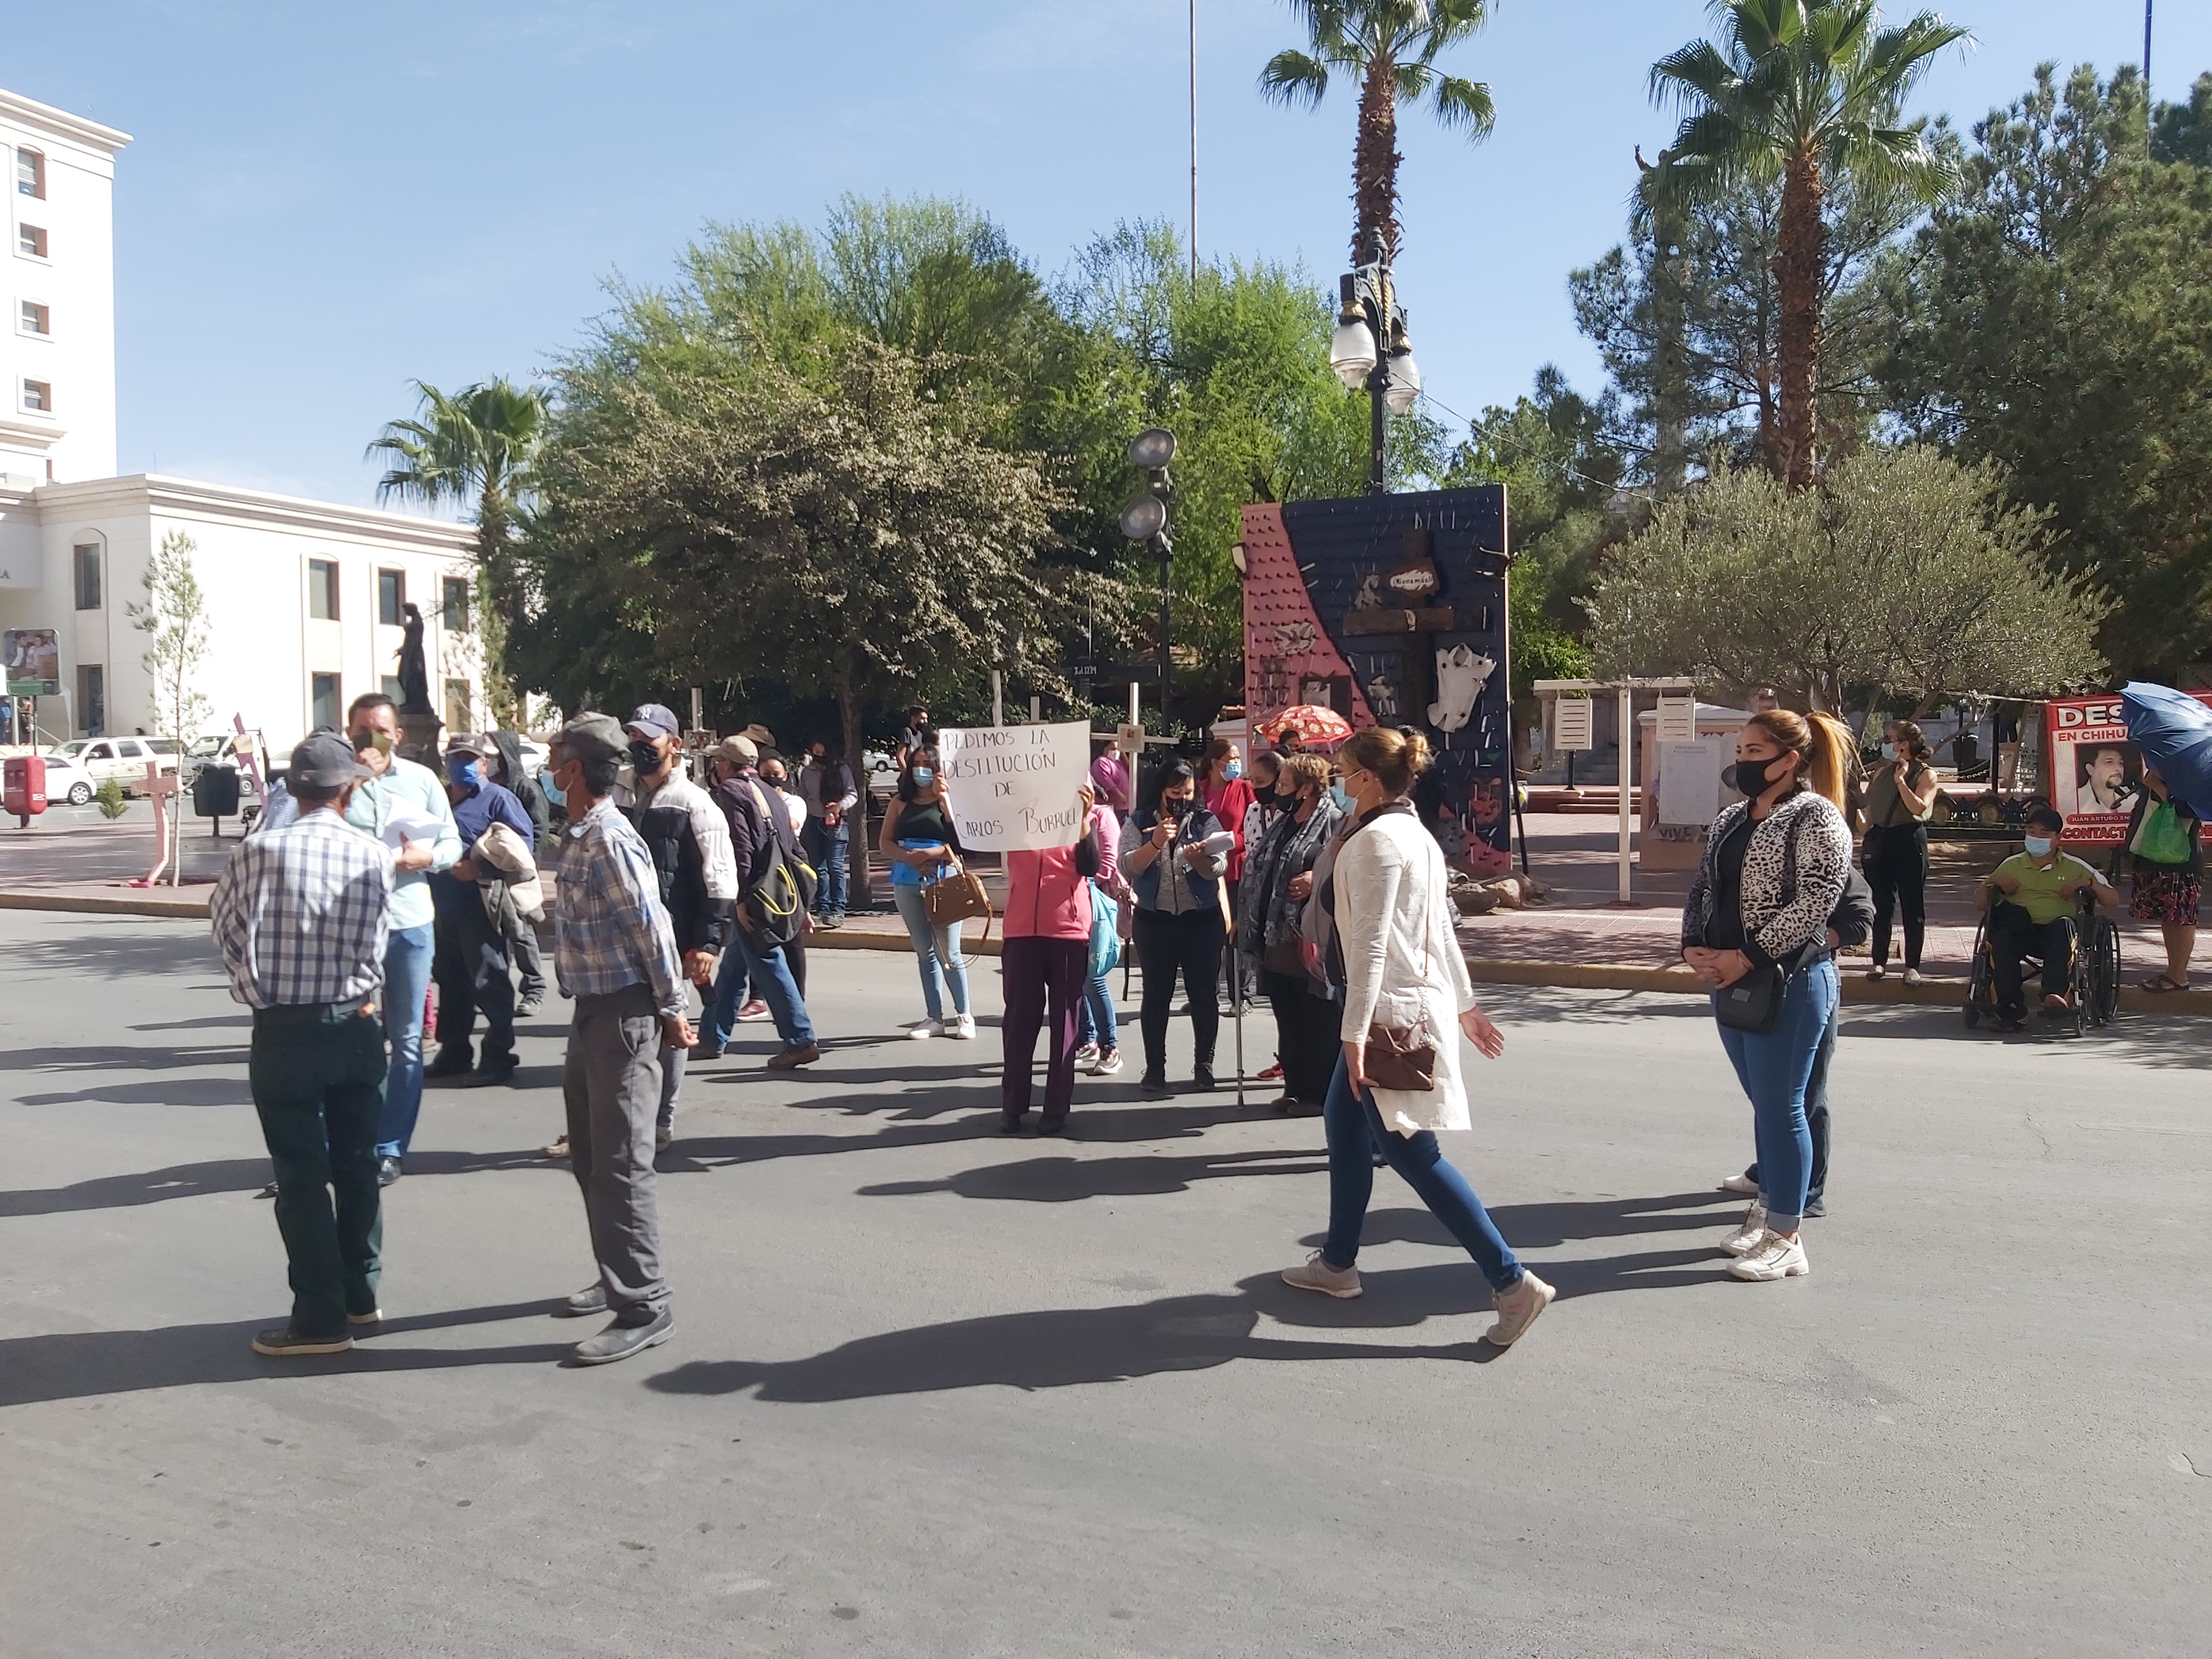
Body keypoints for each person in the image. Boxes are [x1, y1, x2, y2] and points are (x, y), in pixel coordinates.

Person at [1277, 726, 1553, 1348]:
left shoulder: (1377, 843)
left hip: (1385, 1017)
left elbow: (1374, 945)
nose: (1340, 786)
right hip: (1399, 1008)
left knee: (1410, 1152)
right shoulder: (1413, 836)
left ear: (1370, 779)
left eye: (1346, 774)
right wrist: (1465, 1003)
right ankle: (1338, 1264)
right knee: (1344, 1128)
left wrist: (1353, 1036)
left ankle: (1512, 1283)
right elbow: (1436, 932)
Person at [209, 731, 394, 1356]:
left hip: (286, 1027)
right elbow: (377, 944)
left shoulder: (258, 850)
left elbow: (226, 927)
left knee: (300, 1173)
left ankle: (319, 1314)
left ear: (293, 789)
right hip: (356, 1019)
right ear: (348, 789)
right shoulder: (372, 854)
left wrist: (253, 988)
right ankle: (360, 1293)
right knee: (358, 1163)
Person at [1682, 708, 1857, 1282]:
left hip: (1790, 982)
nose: (1743, 761)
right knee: (1767, 1106)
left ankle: (1788, 1236)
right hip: (1729, 983)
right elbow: (1705, 886)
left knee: (1785, 1109)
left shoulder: (1817, 817)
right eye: (1741, 750)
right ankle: (1768, 1213)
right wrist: (1694, 948)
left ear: (1790, 759)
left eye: (1756, 752)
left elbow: (1816, 900)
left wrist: (1747, 956)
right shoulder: (1732, 817)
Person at [543, 714, 690, 1365]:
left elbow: (650, 931)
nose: (547, 769)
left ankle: (646, 1304)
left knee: (625, 1164)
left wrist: (672, 1009)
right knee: (592, 1159)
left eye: (555, 759)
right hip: (591, 1014)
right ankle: (616, 1275)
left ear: (576, 770)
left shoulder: (610, 839)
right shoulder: (578, 836)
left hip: (625, 1019)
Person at [334, 694, 461, 1188]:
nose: (373, 739)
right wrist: (356, 783)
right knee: (347, 1038)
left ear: (398, 735)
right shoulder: (339, 783)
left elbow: (452, 843)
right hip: (351, 924)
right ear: (349, 734)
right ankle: (341, 1143)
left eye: (381, 730)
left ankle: (390, 1147)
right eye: (363, 730)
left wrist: (425, 859)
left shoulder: (422, 780)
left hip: (409, 920)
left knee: (407, 1041)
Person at [1722, 863, 1875, 1220]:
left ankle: (1808, 1191)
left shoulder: (1828, 862)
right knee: (1769, 1092)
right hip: (1763, 987)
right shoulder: (1765, 860)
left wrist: (1805, 939)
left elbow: (1859, 921)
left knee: (1807, 1094)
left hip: (1809, 985)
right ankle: (1771, 1173)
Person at [619, 704, 736, 1152]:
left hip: (673, 937)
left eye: (650, 738)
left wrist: (708, 942)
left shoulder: (694, 803)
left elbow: (719, 874)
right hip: (624, 935)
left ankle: (661, 1122)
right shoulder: (620, 794)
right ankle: (624, 1119)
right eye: (635, 737)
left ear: (674, 744)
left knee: (672, 1028)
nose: (641, 747)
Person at [425, 733, 535, 1094]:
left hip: (480, 907)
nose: (464, 765)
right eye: (457, 758)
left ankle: (498, 1057)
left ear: (485, 764)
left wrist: (481, 869)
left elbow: (522, 852)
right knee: (451, 983)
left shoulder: (498, 800)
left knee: (490, 982)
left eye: (472, 759)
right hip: (440, 906)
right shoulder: (436, 798)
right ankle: (454, 1051)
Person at [702, 735, 820, 1069]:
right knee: (735, 965)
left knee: (765, 957)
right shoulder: (770, 791)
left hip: (755, 891)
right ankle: (712, 1037)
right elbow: (792, 847)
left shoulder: (730, 792)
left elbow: (741, 848)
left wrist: (741, 898)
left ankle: (800, 1038)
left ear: (726, 764)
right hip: (779, 890)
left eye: (719, 762)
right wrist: (803, 903)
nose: (717, 768)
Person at [1239, 753, 1343, 1113]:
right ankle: (1295, 1087)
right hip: (1275, 937)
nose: (1278, 792)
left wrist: (1317, 879)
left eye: (1284, 785)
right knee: (1288, 1018)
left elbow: (1342, 868)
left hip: (1310, 939)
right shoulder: (1282, 824)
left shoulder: (1334, 822)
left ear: (1308, 788)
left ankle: (1319, 1094)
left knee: (1317, 1018)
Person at [999, 782, 1104, 1134]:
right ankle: (1013, 1105)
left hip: (1067, 931)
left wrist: (1084, 820)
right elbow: (969, 833)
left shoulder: (1080, 817)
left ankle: (1056, 1108)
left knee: (1065, 1022)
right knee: (1018, 1022)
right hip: (1020, 931)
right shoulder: (1014, 818)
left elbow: (1091, 867)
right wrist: (948, 799)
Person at [1121, 759, 1229, 1093]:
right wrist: (1154, 844)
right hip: (1155, 920)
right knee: (1156, 995)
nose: (1181, 799)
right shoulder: (1139, 821)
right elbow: (1127, 866)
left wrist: (1201, 858)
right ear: (1161, 792)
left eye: (1188, 792)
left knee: (1203, 995)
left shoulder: (1205, 820)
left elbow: (1219, 865)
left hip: (1201, 919)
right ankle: (1155, 1068)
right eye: (1174, 792)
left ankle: (1204, 1065)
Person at [1980, 804, 2119, 1027]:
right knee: (2001, 938)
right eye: (2032, 832)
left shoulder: (2076, 866)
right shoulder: (2011, 865)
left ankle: (2054, 994)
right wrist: (1994, 883)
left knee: (2063, 926)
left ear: (2058, 839)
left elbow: (2113, 900)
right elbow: (1979, 904)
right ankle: (2012, 1006)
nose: (2036, 838)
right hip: (2021, 931)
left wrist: (2088, 883)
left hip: (2058, 935)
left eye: (2044, 834)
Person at [881, 747, 975, 1039]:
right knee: (924, 952)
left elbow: (962, 842)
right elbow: (886, 842)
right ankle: (934, 1017)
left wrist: (930, 852)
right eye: (916, 763)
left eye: (927, 764)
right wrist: (908, 857)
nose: (921, 769)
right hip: (907, 881)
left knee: (949, 951)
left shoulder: (950, 801)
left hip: (944, 880)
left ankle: (964, 1015)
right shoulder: (900, 802)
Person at [1862, 719, 1939, 985]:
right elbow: (1869, 812)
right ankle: (1879, 962)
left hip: (1908, 839)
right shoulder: (1881, 773)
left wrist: (1902, 783)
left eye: (1888, 739)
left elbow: (1918, 808)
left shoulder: (1925, 774)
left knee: (1912, 904)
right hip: (1880, 839)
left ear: (1904, 745)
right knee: (1881, 905)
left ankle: (1912, 966)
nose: (1884, 744)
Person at [488, 731, 552, 1015]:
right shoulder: (484, 787)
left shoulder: (525, 788)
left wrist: (528, 868)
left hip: (516, 871)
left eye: (494, 754)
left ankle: (535, 989)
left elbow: (539, 829)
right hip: (488, 870)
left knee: (521, 930)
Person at [2124, 768, 2203, 993]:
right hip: (2154, 857)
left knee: (2183, 916)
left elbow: (2195, 809)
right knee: (2168, 917)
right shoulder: (2162, 770)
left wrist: (2162, 790)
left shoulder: (2196, 773)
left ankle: (2179, 974)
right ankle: (2172, 970)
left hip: (2182, 859)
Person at [1073, 788, 1130, 1076]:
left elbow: (1107, 863)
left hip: (1092, 901)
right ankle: (1088, 1039)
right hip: (1069, 905)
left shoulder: (1101, 816)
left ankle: (1111, 1047)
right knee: (1078, 980)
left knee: (1093, 979)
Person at [758, 755, 811, 995]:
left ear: (786, 777)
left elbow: (789, 826)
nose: (772, 780)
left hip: (788, 872)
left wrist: (774, 803)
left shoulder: (794, 802)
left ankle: (797, 996)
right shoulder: (754, 800)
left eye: (776, 775)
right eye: (766, 775)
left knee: (793, 939)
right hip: (762, 873)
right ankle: (758, 996)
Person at [796, 737, 858, 931]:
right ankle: (823, 907)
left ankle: (838, 909)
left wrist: (840, 806)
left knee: (836, 866)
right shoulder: (808, 772)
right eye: (816, 752)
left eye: (823, 752)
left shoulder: (842, 770)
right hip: (814, 822)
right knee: (818, 867)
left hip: (837, 822)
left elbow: (852, 794)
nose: (819, 756)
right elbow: (802, 798)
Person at [2079, 744, 2139, 815]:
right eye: (2109, 762)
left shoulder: (2135, 798)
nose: (2119, 768)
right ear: (2090, 769)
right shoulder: (2075, 799)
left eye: (2121, 763)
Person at [1090, 730, 1134, 814]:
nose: (1116, 752)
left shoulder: (1117, 762)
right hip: (1115, 807)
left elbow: (1130, 769)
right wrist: (1122, 797)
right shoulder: (1101, 762)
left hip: (1125, 806)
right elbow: (1108, 784)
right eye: (1113, 749)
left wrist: (1123, 752)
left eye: (1118, 749)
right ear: (1105, 748)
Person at [896, 706, 934, 770]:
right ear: (914, 719)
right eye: (923, 718)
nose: (926, 722)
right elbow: (900, 756)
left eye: (926, 719)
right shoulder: (907, 732)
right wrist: (906, 775)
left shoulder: (921, 734)